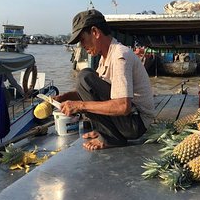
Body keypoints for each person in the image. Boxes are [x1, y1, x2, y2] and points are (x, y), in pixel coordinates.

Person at [53, 9, 155, 151]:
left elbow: (123, 106)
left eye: (82, 40)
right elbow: (91, 91)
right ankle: (106, 133)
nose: (82, 46)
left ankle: (110, 138)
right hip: (129, 120)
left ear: (95, 32)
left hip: (136, 123)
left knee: (85, 76)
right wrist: (64, 97)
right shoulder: (104, 58)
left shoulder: (120, 55)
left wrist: (80, 105)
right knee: (85, 80)